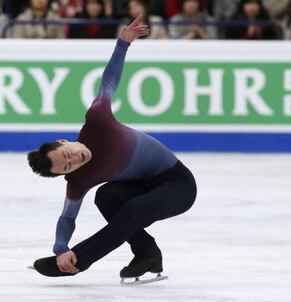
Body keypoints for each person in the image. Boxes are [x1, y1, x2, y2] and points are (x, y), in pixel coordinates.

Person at [27, 15, 197, 279]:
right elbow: (67, 218)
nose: (75, 160)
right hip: (143, 188)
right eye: (67, 167)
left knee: (133, 210)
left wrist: (123, 44)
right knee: (106, 197)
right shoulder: (78, 180)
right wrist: (60, 246)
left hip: (178, 184)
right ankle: (147, 253)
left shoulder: (97, 120)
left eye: (67, 155)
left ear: (63, 141)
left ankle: (79, 262)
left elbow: (108, 82)